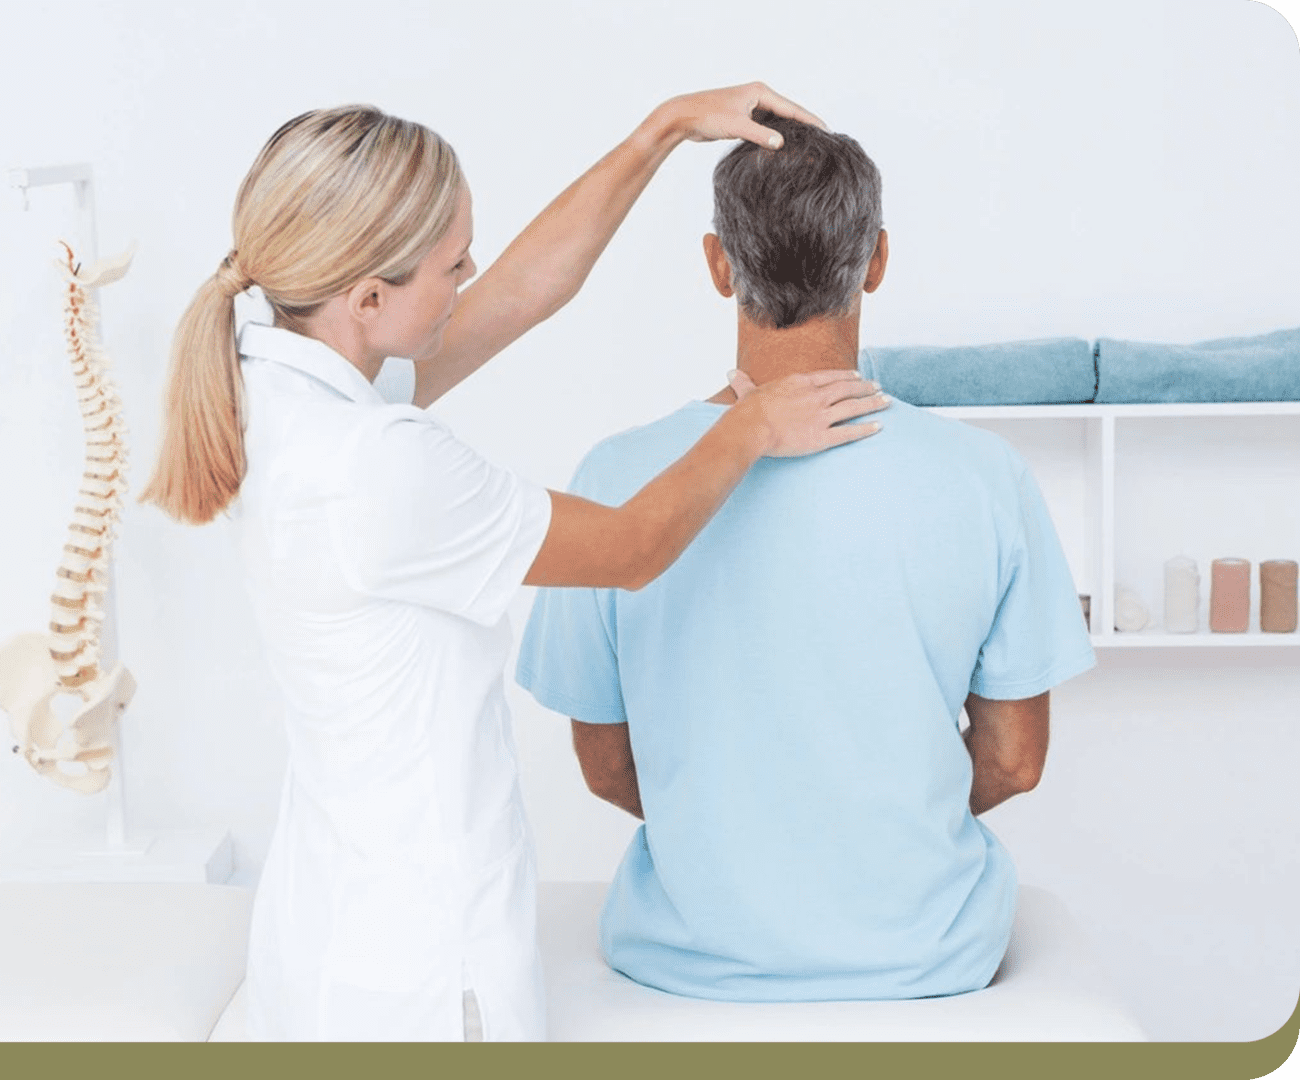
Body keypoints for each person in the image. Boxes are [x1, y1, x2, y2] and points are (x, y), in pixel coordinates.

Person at [138, 89, 890, 1041]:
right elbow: (629, 549)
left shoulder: (284, 376)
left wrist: (657, 132)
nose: (472, 274)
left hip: (327, 932)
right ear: (368, 298)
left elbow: (524, 293)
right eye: (453, 262)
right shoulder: (381, 468)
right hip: (418, 974)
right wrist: (750, 425)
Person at [516, 111, 1096, 1004]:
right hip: (925, 961)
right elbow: (1015, 760)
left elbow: (604, 764)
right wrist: (869, 825)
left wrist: (743, 836)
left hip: (684, 964)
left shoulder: (616, 476)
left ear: (718, 264)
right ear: (876, 260)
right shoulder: (985, 479)